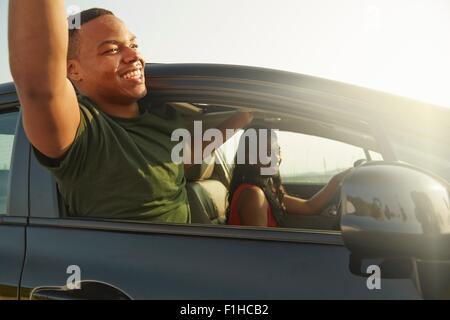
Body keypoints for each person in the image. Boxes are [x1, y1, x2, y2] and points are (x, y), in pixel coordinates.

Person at [9, 1, 253, 223]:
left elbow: (180, 158)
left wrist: (243, 116)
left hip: (200, 261)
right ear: (73, 70)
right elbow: (38, 83)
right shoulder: (84, 134)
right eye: (112, 50)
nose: (134, 56)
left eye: (134, 45)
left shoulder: (165, 120)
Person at [227, 127, 352, 227]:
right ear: (250, 157)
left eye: (278, 150)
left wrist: (337, 179)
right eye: (268, 153)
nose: (277, 157)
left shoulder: (265, 189)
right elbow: (259, 249)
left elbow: (309, 207)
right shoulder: (253, 195)